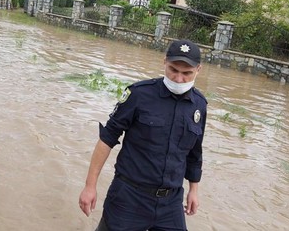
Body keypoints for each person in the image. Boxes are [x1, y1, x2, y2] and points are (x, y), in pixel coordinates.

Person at [78, 39, 207, 230]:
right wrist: (90, 186)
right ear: (164, 62)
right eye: (173, 70)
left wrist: (193, 190)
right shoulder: (139, 95)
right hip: (129, 197)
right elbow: (107, 138)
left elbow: (195, 153)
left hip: (170, 202)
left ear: (198, 70)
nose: (179, 79)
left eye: (186, 73)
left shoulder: (199, 105)